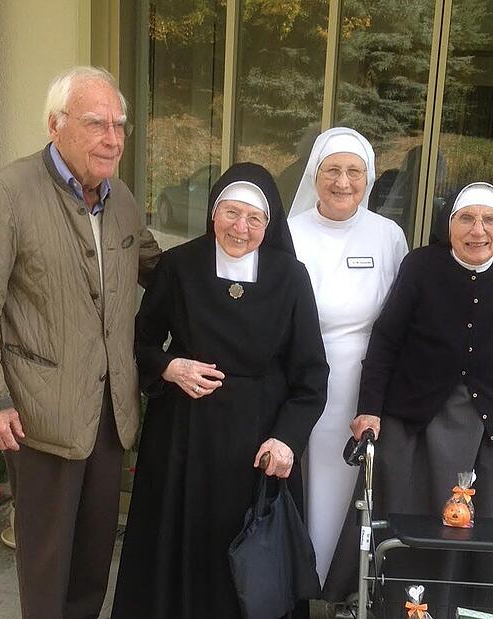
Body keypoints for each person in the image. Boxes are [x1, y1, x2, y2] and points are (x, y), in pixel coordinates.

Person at [0, 66, 161, 618]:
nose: (112, 138)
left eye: (119, 125)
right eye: (97, 124)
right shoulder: (11, 192)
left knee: (94, 557)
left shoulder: (121, 201)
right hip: (40, 413)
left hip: (109, 414)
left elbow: (160, 272)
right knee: (46, 562)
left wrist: (236, 263)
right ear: (56, 125)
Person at [111, 162, 329, 619]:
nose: (241, 228)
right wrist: (170, 367)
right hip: (183, 441)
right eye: (231, 213)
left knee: (251, 561)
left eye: (254, 219)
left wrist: (287, 439)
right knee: (179, 547)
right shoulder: (179, 266)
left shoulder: (290, 277)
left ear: (269, 225)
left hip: (259, 440)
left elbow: (311, 373)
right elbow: (142, 340)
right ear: (213, 213)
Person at [324, 182, 493, 618]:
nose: (477, 230)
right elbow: (386, 340)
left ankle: (475, 610)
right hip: (416, 420)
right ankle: (403, 609)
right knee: (413, 518)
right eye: (466, 218)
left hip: (490, 424)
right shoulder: (421, 265)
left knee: (483, 524)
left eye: (490, 220)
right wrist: (368, 409)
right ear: (448, 225)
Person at [287, 127, 408, 583]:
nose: (343, 182)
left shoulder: (388, 235)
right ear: (315, 176)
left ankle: (342, 585)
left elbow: (400, 318)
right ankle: (300, 581)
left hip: (365, 383)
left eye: (354, 171)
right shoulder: (289, 233)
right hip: (299, 378)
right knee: (304, 481)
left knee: (352, 484)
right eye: (332, 170)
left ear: (369, 178)